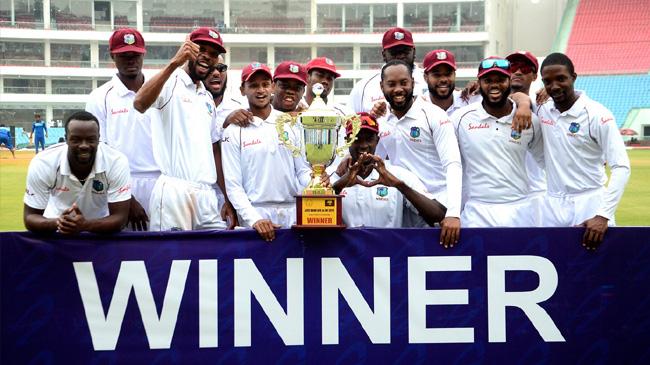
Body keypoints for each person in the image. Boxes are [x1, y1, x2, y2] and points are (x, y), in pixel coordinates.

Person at [133, 27, 236, 231]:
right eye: (202, 49)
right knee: (170, 258)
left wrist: (227, 198)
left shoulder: (206, 97)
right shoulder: (171, 81)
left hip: (206, 194)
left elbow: (214, 150)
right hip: (175, 191)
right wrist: (174, 63)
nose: (207, 57)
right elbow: (139, 103)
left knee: (212, 257)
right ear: (189, 49)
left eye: (214, 54)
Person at [537, 52, 630, 250]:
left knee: (598, 273)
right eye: (548, 81)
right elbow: (516, 99)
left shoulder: (597, 114)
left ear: (574, 78)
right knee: (556, 270)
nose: (554, 86)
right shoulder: (543, 109)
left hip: (590, 203)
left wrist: (603, 215)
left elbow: (621, 166)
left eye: (561, 79)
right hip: (552, 205)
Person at [221, 62, 312, 242]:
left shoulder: (291, 124)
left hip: (292, 212)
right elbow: (233, 185)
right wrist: (254, 219)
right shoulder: (233, 130)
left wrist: (317, 181)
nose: (260, 90)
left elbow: (302, 170)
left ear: (272, 86)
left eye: (264, 84)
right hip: (255, 213)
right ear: (242, 90)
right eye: (253, 85)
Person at [377, 60, 462, 247]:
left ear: (413, 83)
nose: (398, 89)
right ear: (382, 86)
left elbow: (453, 164)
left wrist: (453, 213)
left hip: (439, 209)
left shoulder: (433, 115)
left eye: (404, 83)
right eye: (391, 84)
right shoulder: (382, 121)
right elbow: (378, 161)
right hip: (406, 208)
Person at [452, 57, 544, 227]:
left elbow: (546, 163)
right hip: (477, 212)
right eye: (488, 80)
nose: (494, 85)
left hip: (520, 210)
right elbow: (450, 164)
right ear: (479, 83)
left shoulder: (530, 120)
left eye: (501, 80)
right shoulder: (460, 118)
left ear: (509, 81)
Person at [85, 28, 158, 231]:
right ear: (112, 56)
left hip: (163, 183)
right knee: (127, 253)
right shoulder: (100, 97)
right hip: (122, 184)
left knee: (165, 251)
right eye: (124, 56)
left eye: (135, 55)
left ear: (143, 53)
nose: (130, 60)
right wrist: (127, 198)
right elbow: (99, 151)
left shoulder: (161, 90)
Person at [23, 111, 131, 234]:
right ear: (66, 139)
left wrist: (85, 225)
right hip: (58, 232)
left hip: (100, 234)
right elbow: (30, 217)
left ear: (99, 139)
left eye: (91, 139)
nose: (84, 145)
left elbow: (120, 219)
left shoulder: (116, 161)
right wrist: (59, 222)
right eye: (76, 140)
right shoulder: (43, 162)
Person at [332, 113, 446, 227]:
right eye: (356, 139)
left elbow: (439, 215)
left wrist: (399, 185)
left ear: (377, 140)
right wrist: (338, 187)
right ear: (347, 141)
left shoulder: (398, 174)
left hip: (388, 245)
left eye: (369, 139)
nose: (363, 145)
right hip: (347, 245)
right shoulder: (333, 177)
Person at [348, 27, 428, 115]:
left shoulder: (429, 81)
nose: (400, 56)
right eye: (394, 52)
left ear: (414, 52)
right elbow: (351, 122)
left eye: (405, 51)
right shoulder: (363, 87)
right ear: (384, 55)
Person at [421, 49, 480, 116]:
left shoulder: (468, 101)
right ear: (425, 77)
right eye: (437, 75)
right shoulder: (418, 106)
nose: (443, 80)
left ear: (454, 75)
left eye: (448, 74)